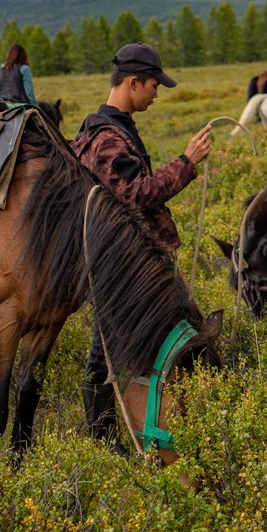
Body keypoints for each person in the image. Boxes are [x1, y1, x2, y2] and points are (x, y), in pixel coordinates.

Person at [70, 42, 213, 449]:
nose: (156, 93)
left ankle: (131, 429)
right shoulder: (106, 139)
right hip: (119, 267)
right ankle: (105, 438)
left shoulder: (110, 129)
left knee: (111, 349)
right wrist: (186, 162)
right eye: (153, 85)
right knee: (104, 355)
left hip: (120, 262)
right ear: (133, 82)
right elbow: (134, 194)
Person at [0, 43, 37, 107]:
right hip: (20, 105)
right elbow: (29, 91)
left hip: (3, 105)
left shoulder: (2, 67)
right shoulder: (24, 68)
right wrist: (35, 105)